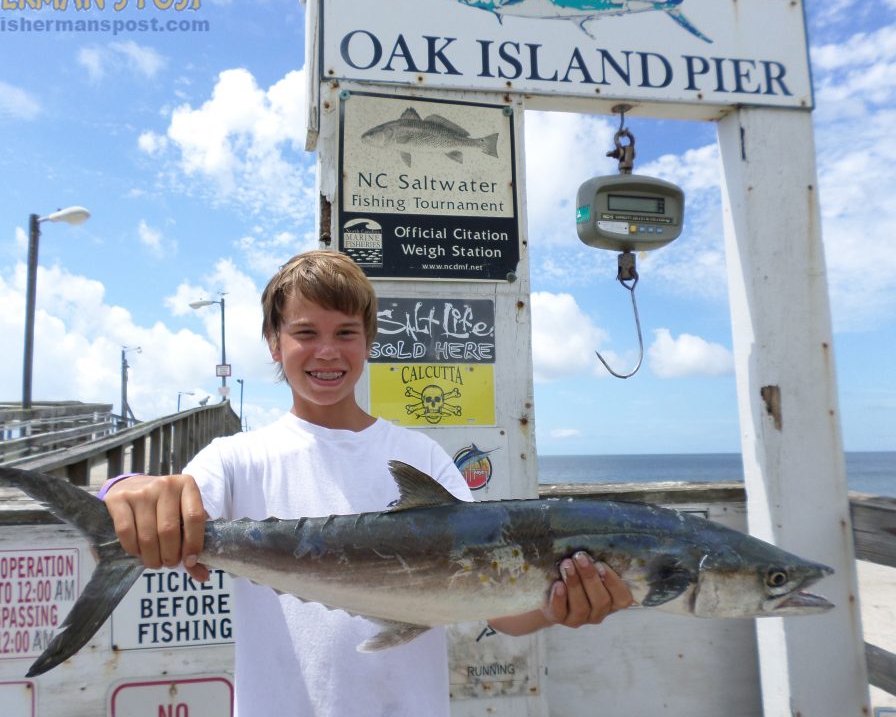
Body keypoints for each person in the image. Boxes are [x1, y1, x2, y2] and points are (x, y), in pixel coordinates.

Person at [101, 249, 634, 716]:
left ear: (369, 341)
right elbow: (173, 502)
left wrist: (556, 606)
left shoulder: (422, 457)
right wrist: (125, 489)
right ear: (273, 342)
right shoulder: (236, 459)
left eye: (346, 334)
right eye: (305, 333)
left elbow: (497, 610)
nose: (327, 352)